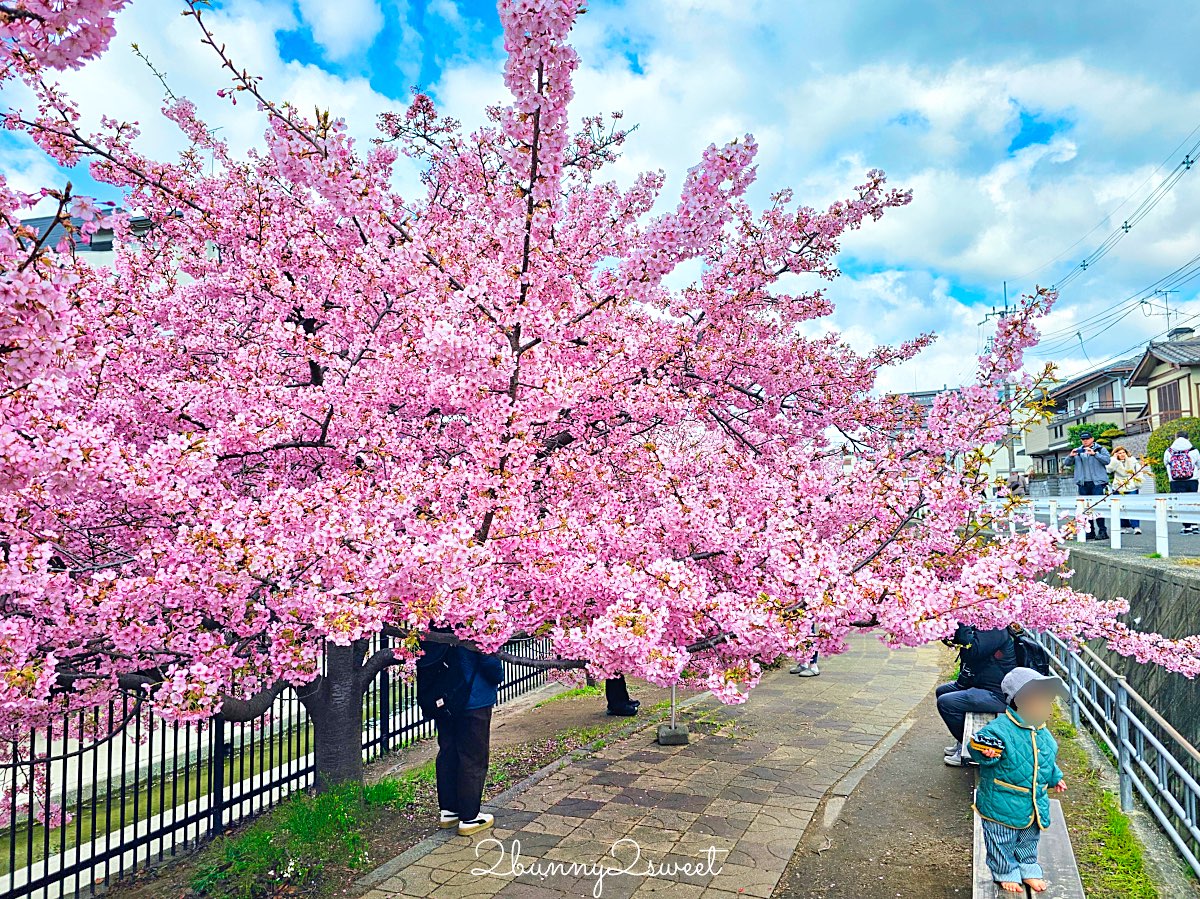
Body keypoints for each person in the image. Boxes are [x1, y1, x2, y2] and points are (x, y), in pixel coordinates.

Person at [972, 667, 1069, 894]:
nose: (1046, 710)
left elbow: (1046, 759)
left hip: (1033, 801)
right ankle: (1005, 871)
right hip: (1002, 801)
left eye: (1047, 704)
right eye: (1040, 704)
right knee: (1001, 840)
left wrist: (1056, 777)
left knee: (1028, 839)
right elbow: (978, 746)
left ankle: (1028, 868)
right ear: (1019, 702)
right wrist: (985, 752)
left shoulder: (1042, 732)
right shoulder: (999, 730)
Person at [418, 641, 504, 836]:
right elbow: (491, 666)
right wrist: (499, 674)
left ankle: (449, 811)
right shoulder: (476, 627)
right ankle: (469, 817)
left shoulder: (434, 628)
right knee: (473, 756)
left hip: (446, 699)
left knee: (448, 752)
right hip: (473, 700)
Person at [938, 624, 1017, 767]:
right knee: (942, 691)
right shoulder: (984, 625)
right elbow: (959, 641)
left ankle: (972, 749)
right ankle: (963, 741)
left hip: (997, 694)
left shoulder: (996, 629)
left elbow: (972, 650)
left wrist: (963, 623)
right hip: (978, 683)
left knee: (946, 703)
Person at [1068, 431, 1110, 541]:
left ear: (1092, 439)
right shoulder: (1078, 451)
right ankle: (1089, 531)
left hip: (1097, 483)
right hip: (1083, 483)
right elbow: (1067, 463)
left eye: (1087, 438)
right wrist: (1071, 456)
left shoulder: (1100, 449)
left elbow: (1107, 461)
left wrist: (1095, 454)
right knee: (1086, 508)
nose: (1085, 441)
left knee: (1098, 507)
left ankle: (1102, 531)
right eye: (1083, 439)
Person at [1164, 431, 1200, 535]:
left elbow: (1166, 463)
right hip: (1192, 480)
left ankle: (1187, 527)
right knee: (1193, 502)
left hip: (1175, 481)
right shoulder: (1193, 450)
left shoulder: (1169, 451)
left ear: (1176, 438)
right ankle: (1195, 525)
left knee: (1181, 503)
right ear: (1188, 438)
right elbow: (1199, 464)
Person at [1106, 446, 1147, 535]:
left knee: (1133, 506)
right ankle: (1123, 526)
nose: (1122, 454)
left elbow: (1139, 471)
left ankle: (1136, 527)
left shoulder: (1132, 460)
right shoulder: (1114, 462)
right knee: (1120, 507)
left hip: (1131, 486)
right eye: (1119, 453)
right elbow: (1109, 470)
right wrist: (1114, 459)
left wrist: (1138, 482)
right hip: (1118, 486)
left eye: (1123, 452)